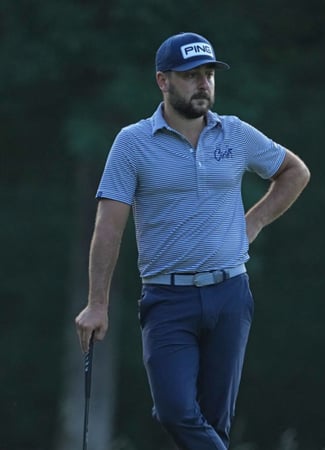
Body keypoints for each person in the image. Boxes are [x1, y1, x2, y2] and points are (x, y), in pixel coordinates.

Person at [74, 31, 310, 449]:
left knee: (215, 424)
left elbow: (294, 172)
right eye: (190, 76)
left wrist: (251, 224)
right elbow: (108, 227)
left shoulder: (234, 133)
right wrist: (97, 303)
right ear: (163, 81)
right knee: (175, 411)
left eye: (208, 74)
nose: (203, 84)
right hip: (168, 300)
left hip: (230, 294)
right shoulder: (132, 144)